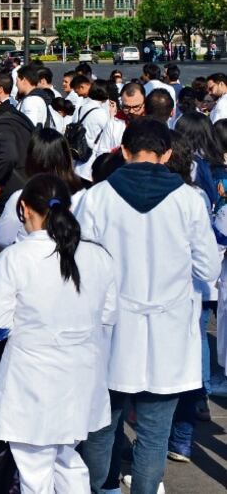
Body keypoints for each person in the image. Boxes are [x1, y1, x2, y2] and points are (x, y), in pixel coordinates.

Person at [76, 118, 220, 494]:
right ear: (167, 154)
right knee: (155, 435)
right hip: (169, 332)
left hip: (112, 330)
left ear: (123, 152)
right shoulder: (189, 200)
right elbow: (208, 268)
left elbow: (81, 264)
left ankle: (103, 490)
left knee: (102, 429)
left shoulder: (97, 198)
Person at [0, 174, 116, 493]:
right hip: (82, 379)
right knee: (68, 461)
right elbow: (108, 316)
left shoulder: (15, 258)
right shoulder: (99, 256)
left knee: (35, 470)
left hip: (32, 382)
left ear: (24, 208)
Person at [0, 128, 84, 249]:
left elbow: (2, 240)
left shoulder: (21, 198)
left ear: (32, 160)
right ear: (66, 158)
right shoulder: (83, 195)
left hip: (26, 258)